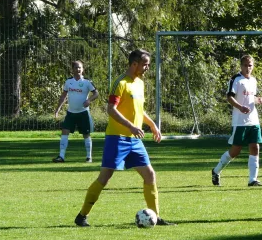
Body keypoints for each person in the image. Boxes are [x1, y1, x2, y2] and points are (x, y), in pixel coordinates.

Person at [74, 49, 174, 227]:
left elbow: (138, 110)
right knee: (105, 178)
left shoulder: (140, 84)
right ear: (134, 64)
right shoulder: (120, 83)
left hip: (135, 140)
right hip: (117, 138)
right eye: (145, 64)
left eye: (148, 64)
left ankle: (155, 217)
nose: (147, 68)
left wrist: (152, 125)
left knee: (150, 175)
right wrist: (131, 126)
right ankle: (82, 215)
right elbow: (111, 109)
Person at [211, 54, 262, 187]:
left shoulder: (253, 80)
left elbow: (252, 97)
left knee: (255, 147)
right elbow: (229, 97)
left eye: (250, 65)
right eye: (245, 65)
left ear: (253, 66)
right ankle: (216, 170)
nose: (248, 68)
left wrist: (259, 100)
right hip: (240, 121)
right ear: (241, 66)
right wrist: (240, 107)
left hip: (253, 120)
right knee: (236, 150)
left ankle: (252, 179)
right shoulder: (236, 79)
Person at [53, 60, 99, 163]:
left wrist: (89, 100)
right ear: (72, 69)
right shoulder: (68, 82)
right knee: (64, 131)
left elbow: (96, 94)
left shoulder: (87, 82)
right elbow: (63, 96)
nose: (78, 69)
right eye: (76, 67)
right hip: (71, 113)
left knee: (86, 134)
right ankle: (61, 156)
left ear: (83, 69)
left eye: (80, 67)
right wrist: (57, 110)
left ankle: (89, 157)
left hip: (83, 113)